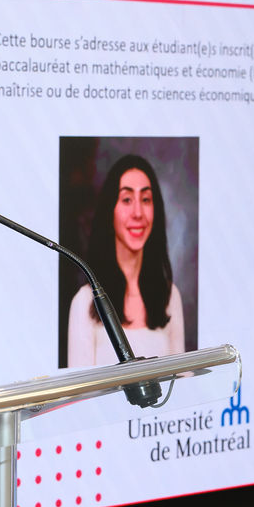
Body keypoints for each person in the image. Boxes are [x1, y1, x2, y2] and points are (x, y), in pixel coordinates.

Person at [67, 154, 185, 367]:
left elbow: (183, 380)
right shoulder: (84, 302)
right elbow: (80, 388)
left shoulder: (170, 296)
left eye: (146, 200)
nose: (138, 213)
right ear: (110, 209)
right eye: (127, 200)